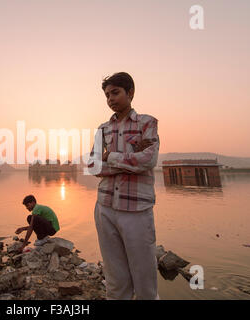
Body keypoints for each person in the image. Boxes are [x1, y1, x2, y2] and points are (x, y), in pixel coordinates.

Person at [88, 72, 160, 300]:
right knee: (114, 276)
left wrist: (110, 157)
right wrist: (130, 159)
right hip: (105, 207)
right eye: (107, 95)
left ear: (130, 93)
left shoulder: (147, 123)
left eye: (115, 92)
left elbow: (148, 160)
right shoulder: (102, 129)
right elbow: (92, 165)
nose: (110, 99)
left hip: (136, 210)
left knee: (145, 278)